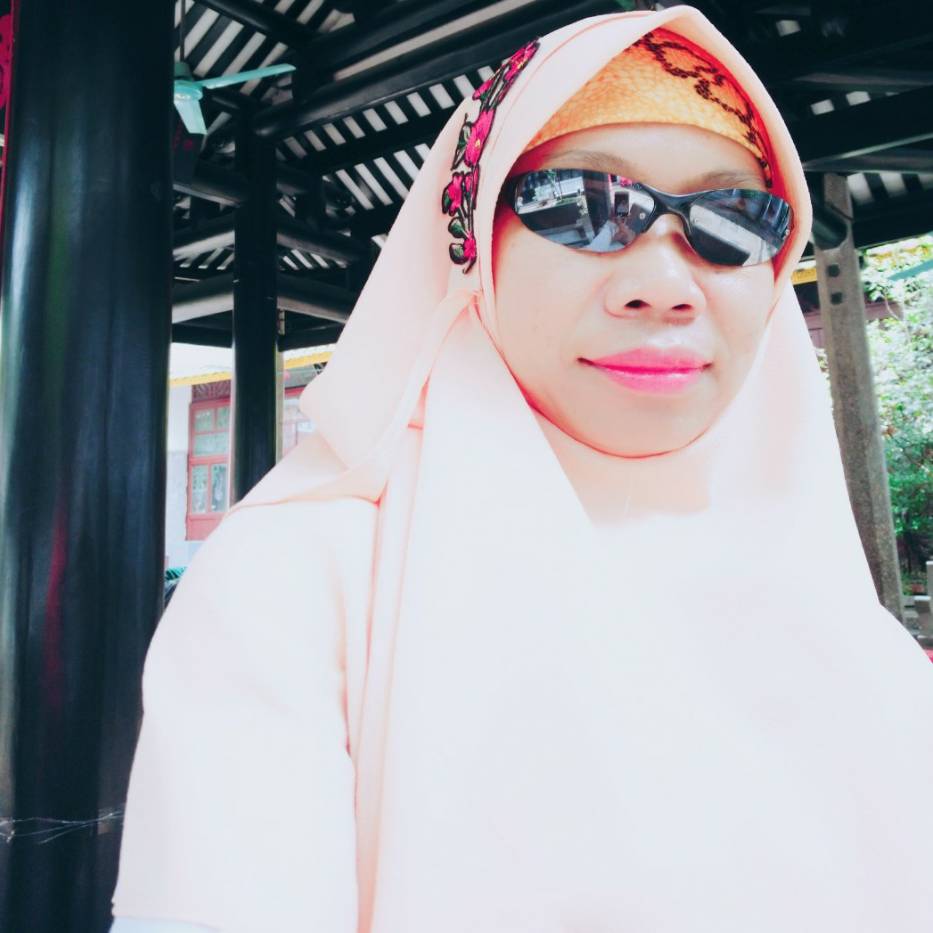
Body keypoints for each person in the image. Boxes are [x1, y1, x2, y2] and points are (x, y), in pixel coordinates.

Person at [110, 6, 933, 932]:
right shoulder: (300, 581)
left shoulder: (814, 577)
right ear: (472, 244)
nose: (663, 284)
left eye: (736, 219)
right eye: (583, 205)